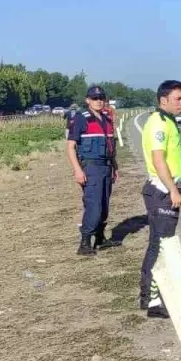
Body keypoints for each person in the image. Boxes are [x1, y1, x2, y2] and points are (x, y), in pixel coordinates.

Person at [139, 80, 181, 319]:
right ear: (163, 100)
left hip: (166, 190)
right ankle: (152, 301)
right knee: (159, 246)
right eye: (178, 98)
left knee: (163, 245)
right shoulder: (158, 123)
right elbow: (159, 160)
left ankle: (157, 295)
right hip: (161, 192)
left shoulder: (168, 121)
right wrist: (173, 190)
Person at [66, 86, 119, 255]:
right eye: (95, 98)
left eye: (101, 98)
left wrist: (114, 167)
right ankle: (85, 242)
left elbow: (111, 146)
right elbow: (70, 147)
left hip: (106, 166)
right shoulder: (82, 119)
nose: (99, 101)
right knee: (93, 205)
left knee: (104, 204)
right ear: (87, 100)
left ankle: (100, 238)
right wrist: (77, 170)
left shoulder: (107, 119)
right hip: (91, 167)